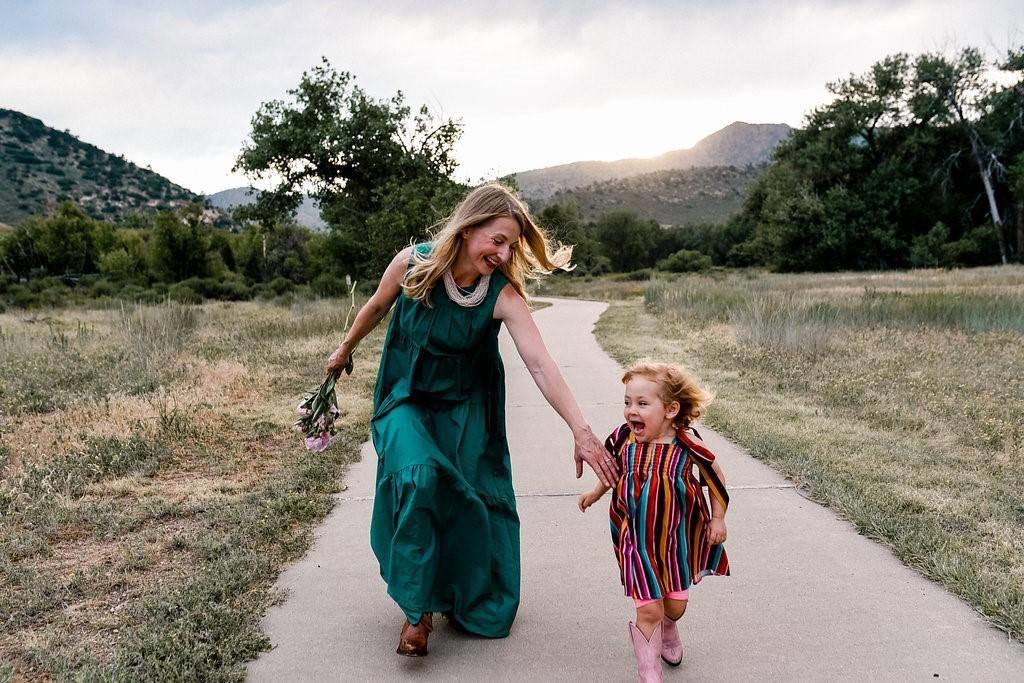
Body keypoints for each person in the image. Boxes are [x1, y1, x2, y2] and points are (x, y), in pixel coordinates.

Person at [325, 183, 618, 657]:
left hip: (467, 407)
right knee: (418, 479)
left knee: (472, 497)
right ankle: (416, 614)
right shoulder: (413, 264)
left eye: (511, 245)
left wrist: (581, 431)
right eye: (495, 240)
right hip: (407, 397)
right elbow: (377, 305)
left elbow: (541, 364)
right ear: (466, 229)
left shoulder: (500, 295)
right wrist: (344, 349)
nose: (503, 253)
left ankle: (455, 593)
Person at [578, 361, 730, 682]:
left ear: (671, 409)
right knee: (649, 610)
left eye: (642, 404)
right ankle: (649, 671)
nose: (631, 411)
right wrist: (595, 493)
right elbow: (611, 472)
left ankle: (670, 627)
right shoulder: (624, 439)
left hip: (674, 542)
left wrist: (718, 518)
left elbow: (715, 477)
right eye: (627, 402)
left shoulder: (686, 446)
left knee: (673, 606)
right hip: (635, 539)